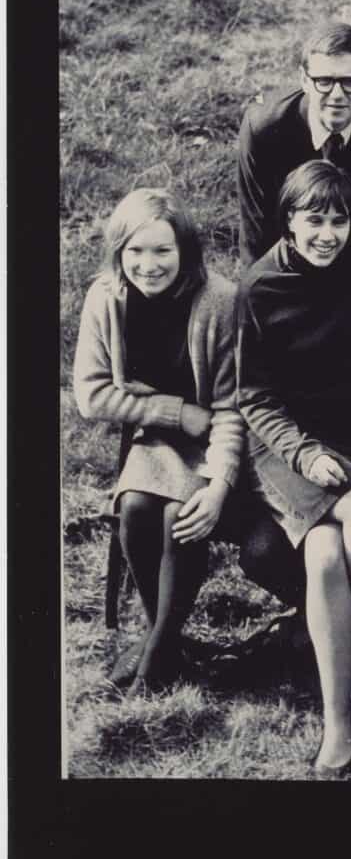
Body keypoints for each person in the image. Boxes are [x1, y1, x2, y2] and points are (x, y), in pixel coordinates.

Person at [235, 161, 351, 776]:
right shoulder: (260, 288)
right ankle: (348, 707)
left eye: (338, 220)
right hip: (282, 447)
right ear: (289, 221)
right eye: (313, 220)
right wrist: (305, 453)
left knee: (326, 558)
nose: (327, 233)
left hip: (347, 437)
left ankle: (338, 697)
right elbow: (253, 398)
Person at [73, 188, 244, 695]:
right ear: (119, 253)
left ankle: (155, 661)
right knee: (136, 508)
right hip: (158, 433)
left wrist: (219, 482)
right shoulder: (106, 298)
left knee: (180, 517)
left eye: (162, 251)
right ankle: (165, 640)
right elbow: (91, 394)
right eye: (135, 251)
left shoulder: (220, 300)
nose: (148, 265)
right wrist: (172, 412)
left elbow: (233, 407)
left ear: (184, 251)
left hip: (215, 439)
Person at [237, 22, 351, 265]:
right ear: (304, 80)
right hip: (291, 253)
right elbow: (256, 232)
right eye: (324, 81)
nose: (337, 95)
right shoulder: (264, 128)